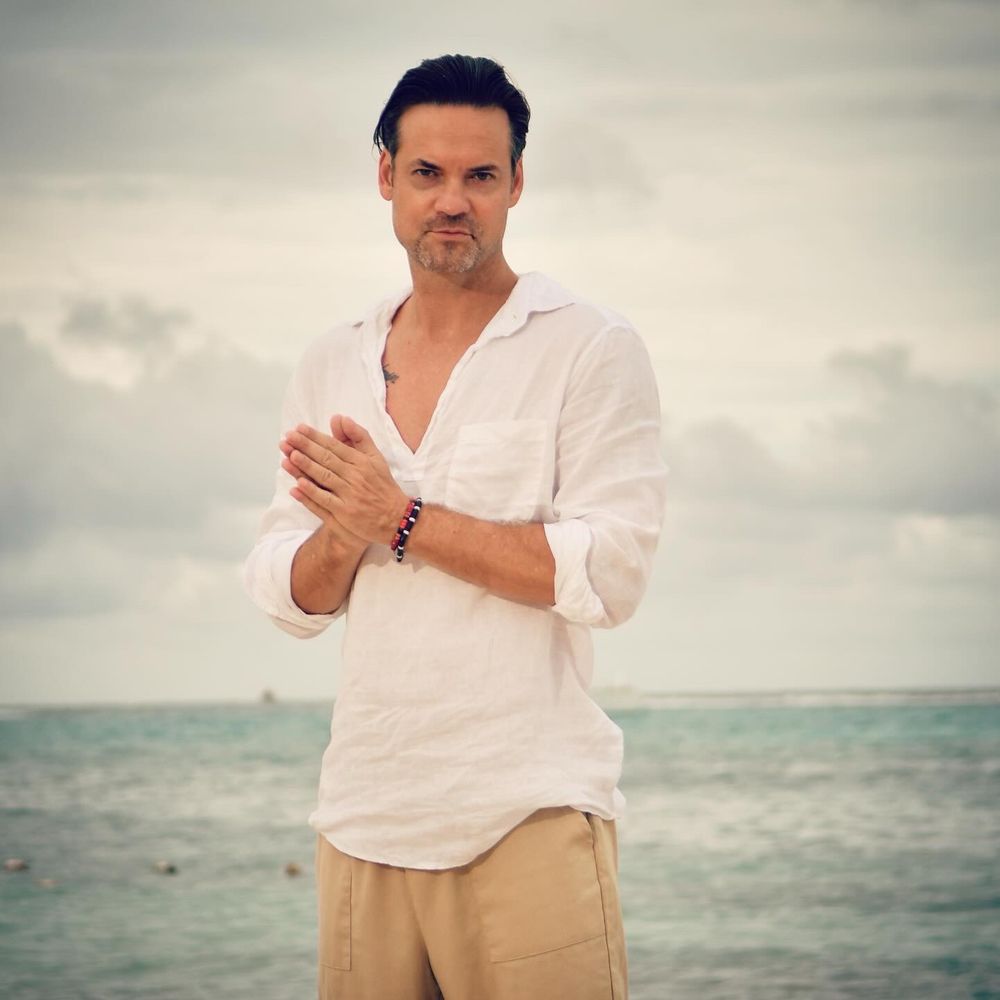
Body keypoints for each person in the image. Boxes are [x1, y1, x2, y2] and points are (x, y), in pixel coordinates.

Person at [243, 53, 669, 1000]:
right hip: (362, 817)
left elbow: (611, 575)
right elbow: (287, 596)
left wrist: (399, 518)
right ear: (385, 175)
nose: (452, 201)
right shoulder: (332, 361)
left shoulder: (589, 346)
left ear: (517, 183)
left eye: (480, 175)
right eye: (428, 172)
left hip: (526, 812)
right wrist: (345, 531)